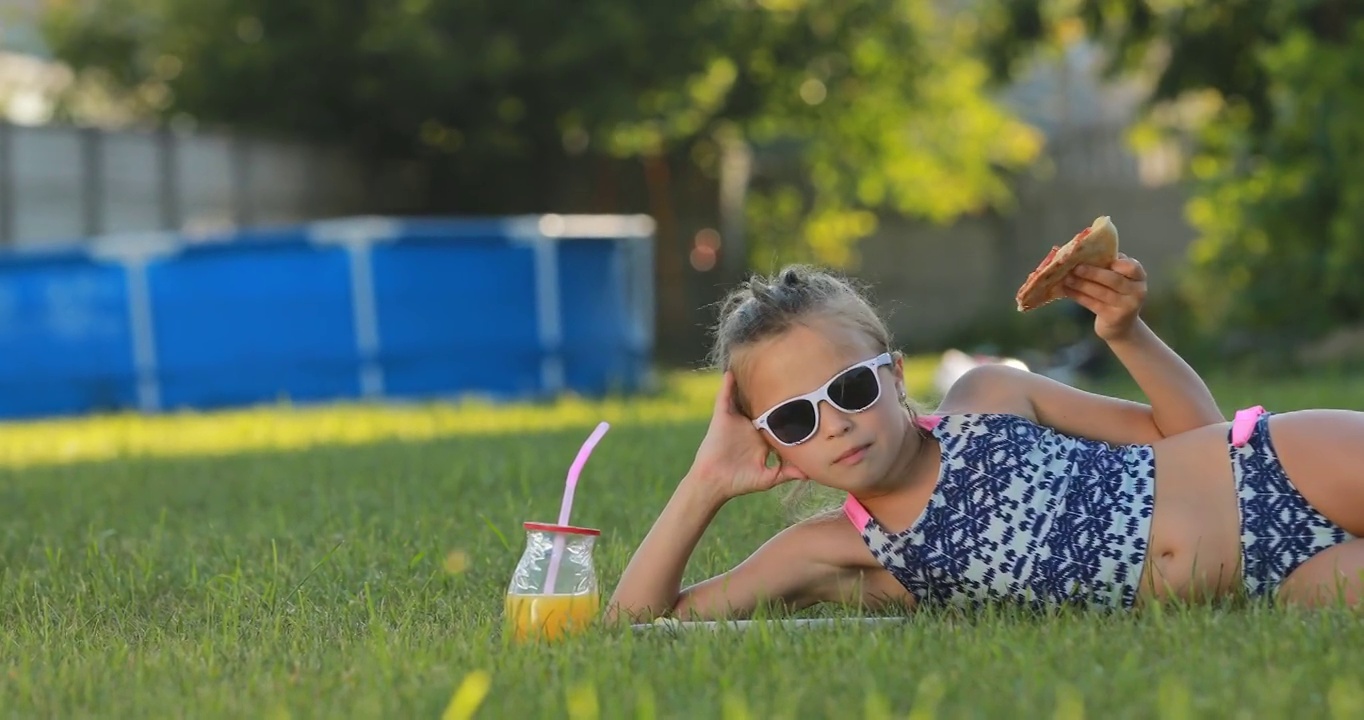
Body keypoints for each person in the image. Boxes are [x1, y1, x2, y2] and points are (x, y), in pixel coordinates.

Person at [605, 254, 1364, 623]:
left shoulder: (989, 396)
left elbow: (1194, 432)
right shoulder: (837, 551)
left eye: (851, 388)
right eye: (796, 419)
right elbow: (635, 624)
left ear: (895, 376)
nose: (834, 422)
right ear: (775, 442)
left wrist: (1125, 332)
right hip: (1273, 584)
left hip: (1277, 468)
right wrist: (705, 482)